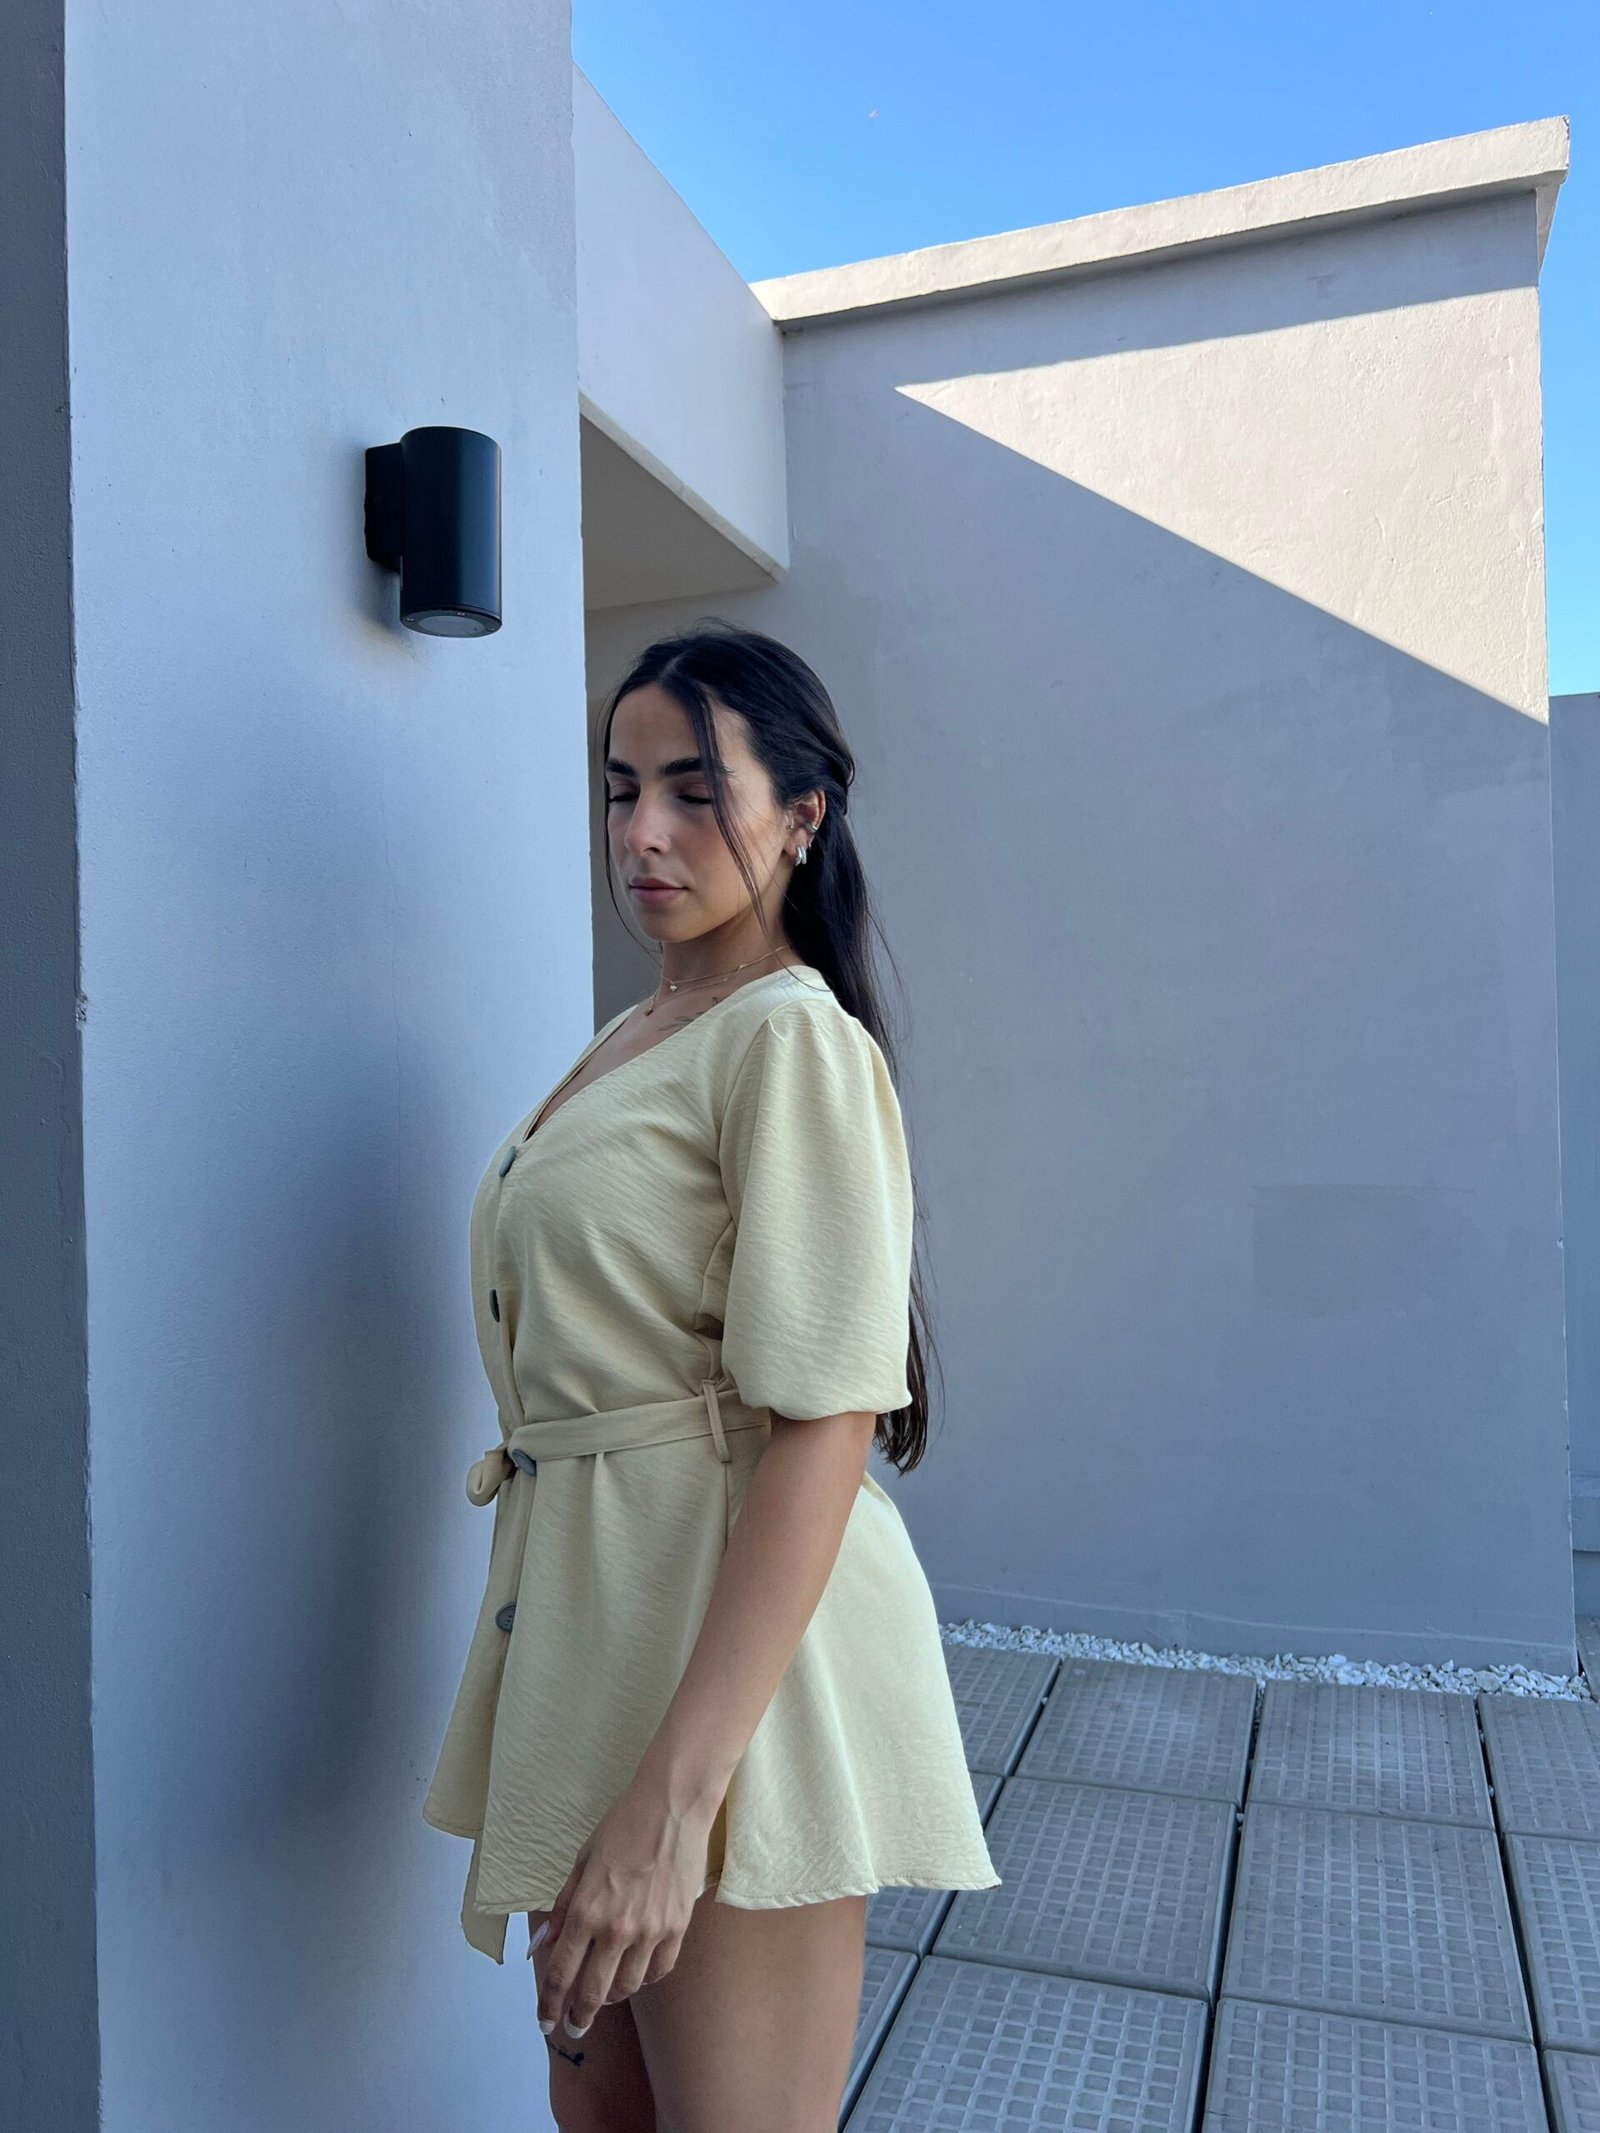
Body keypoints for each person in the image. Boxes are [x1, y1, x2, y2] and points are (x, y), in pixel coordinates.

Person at [421, 619, 999, 2130]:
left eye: (695, 789)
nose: (644, 831)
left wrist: (678, 1804)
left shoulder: (788, 1039)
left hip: (728, 1688)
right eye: (622, 789)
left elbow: (827, 1426)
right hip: (592, 1641)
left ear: (802, 816)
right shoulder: (641, 1031)